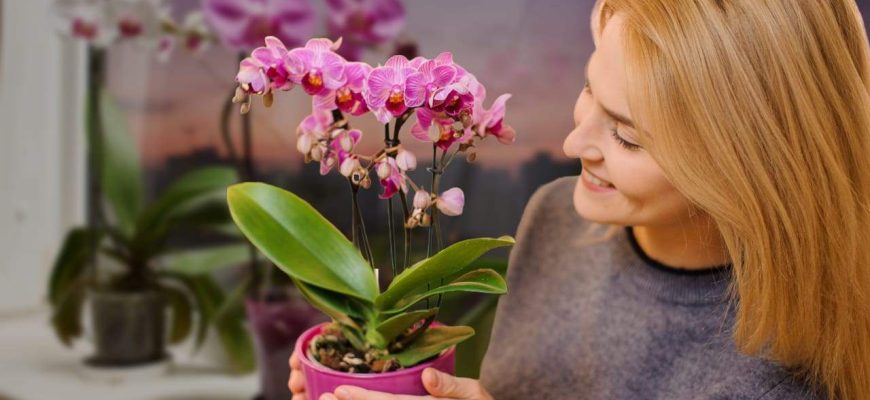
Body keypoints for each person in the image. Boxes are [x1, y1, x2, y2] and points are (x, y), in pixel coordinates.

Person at [290, 0, 870, 398]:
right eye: (590, 86)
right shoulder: (558, 214)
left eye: (628, 136)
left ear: (749, 167)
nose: (574, 143)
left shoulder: (774, 380)